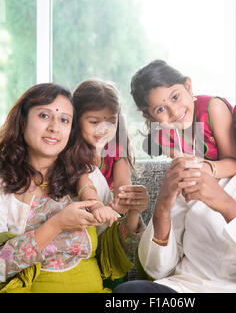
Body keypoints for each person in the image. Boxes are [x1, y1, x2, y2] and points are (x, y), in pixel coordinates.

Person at [113, 70, 236, 293]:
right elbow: (157, 270)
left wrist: (227, 207)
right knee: (130, 293)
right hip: (188, 290)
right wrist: (162, 206)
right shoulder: (197, 168)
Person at [0, 83, 146, 293]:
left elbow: (111, 256)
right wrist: (56, 225)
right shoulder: (4, 184)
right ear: (22, 121)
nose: (54, 127)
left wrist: (132, 212)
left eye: (64, 120)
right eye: (43, 115)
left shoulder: (89, 177)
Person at [130, 59, 236, 178]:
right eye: (160, 109)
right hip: (205, 187)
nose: (174, 112)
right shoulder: (163, 134)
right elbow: (185, 168)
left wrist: (205, 168)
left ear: (188, 86)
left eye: (175, 97)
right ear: (150, 117)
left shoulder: (214, 109)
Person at [72, 78, 149, 229]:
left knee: (127, 216)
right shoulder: (73, 150)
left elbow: (123, 185)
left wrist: (122, 201)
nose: (103, 129)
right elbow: (84, 181)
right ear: (76, 120)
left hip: (107, 212)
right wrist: (96, 206)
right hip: (79, 209)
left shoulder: (115, 151)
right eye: (94, 122)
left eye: (111, 122)